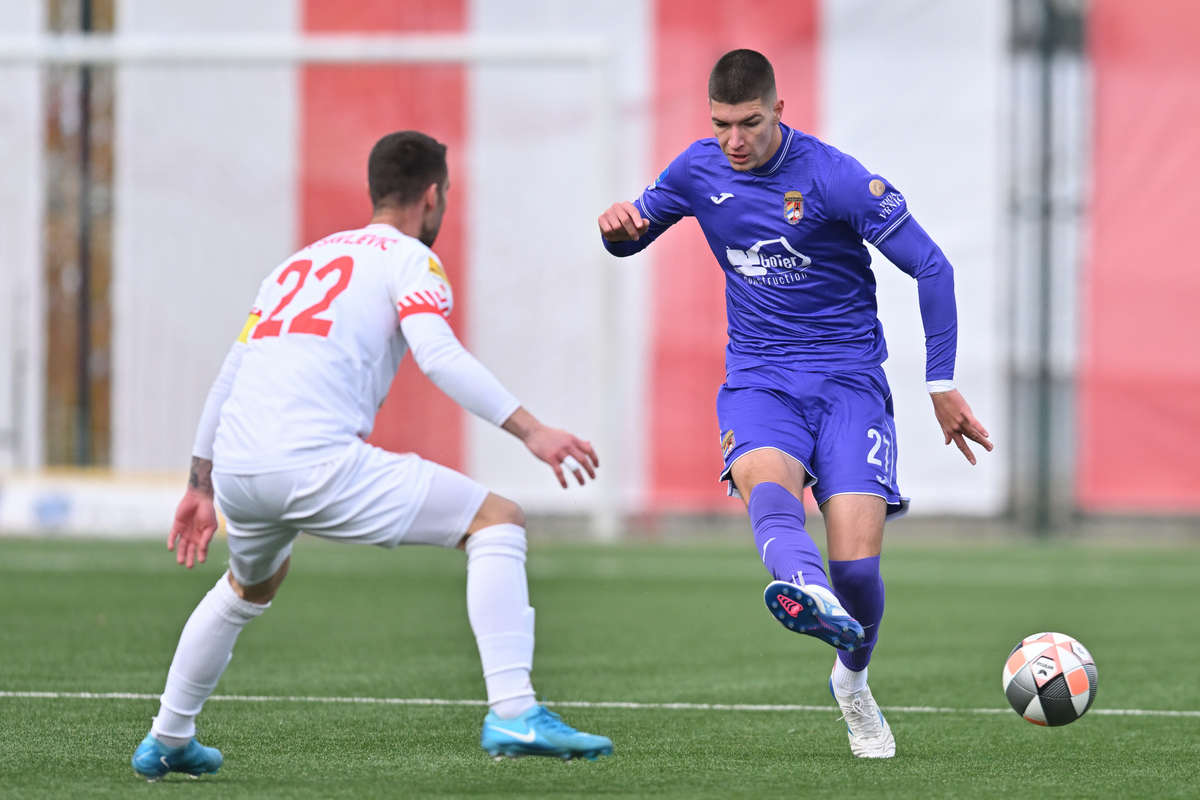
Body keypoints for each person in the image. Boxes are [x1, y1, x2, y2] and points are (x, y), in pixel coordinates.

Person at [131, 131, 613, 781]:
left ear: (375, 190)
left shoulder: (295, 265)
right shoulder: (409, 259)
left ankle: (168, 738)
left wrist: (201, 483)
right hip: (314, 463)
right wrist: (532, 431)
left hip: (241, 469)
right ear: (434, 195)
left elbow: (229, 375)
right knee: (496, 520)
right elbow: (437, 355)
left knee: (250, 584)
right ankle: (514, 710)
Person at [598, 50, 991, 759]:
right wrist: (615, 229)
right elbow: (632, 238)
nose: (734, 141)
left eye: (749, 123)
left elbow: (933, 266)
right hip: (759, 380)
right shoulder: (697, 169)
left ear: (780, 109)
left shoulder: (837, 178)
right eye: (721, 124)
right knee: (768, 489)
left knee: (859, 570)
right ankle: (805, 592)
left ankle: (851, 679)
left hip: (848, 385)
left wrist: (940, 385)